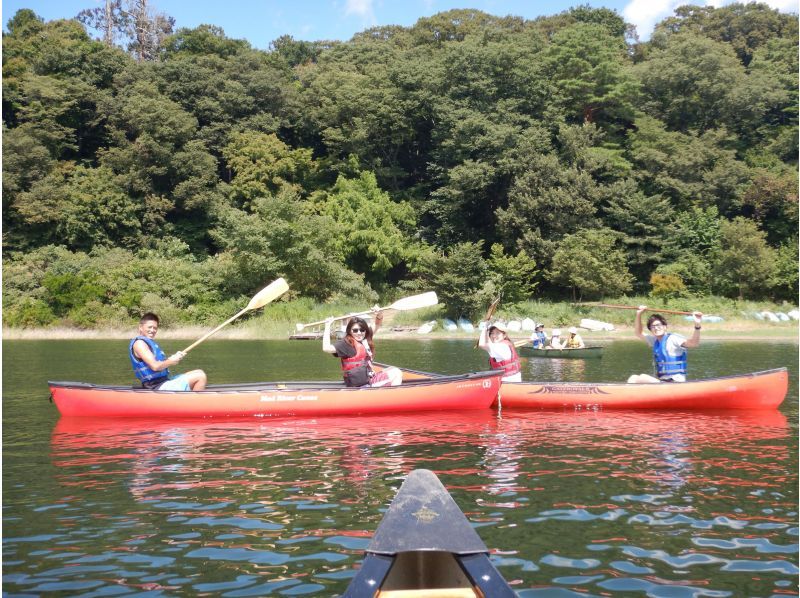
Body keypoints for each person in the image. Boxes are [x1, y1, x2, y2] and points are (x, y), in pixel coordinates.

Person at [322, 309, 402, 387]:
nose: (359, 333)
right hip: (360, 384)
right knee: (396, 372)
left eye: (362, 330)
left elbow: (377, 324)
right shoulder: (346, 344)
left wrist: (379, 315)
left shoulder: (365, 337)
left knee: (391, 369)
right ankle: (393, 397)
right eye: (355, 330)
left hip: (367, 378)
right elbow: (326, 348)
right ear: (350, 331)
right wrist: (327, 326)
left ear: (365, 330)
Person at [129, 313, 207, 390]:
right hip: (155, 387)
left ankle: (190, 398)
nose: (152, 330)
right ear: (141, 327)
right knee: (200, 376)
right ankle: (193, 402)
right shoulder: (140, 343)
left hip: (163, 382)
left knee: (199, 372)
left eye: (155, 328)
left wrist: (174, 357)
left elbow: (161, 364)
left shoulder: (148, 343)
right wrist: (171, 361)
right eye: (149, 327)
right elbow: (155, 366)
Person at [627, 305, 703, 383]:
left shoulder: (673, 338)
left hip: (675, 381)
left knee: (643, 377)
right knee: (633, 377)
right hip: (663, 381)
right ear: (651, 330)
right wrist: (639, 314)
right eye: (653, 326)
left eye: (658, 325)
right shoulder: (654, 340)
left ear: (665, 327)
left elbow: (694, 343)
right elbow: (638, 333)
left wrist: (697, 325)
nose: (656, 328)